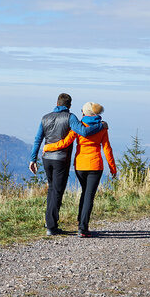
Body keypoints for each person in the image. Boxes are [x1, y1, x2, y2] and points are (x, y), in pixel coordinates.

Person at [29, 93, 106, 236]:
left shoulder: (45, 117)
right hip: (61, 159)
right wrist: (101, 125)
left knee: (52, 189)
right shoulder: (70, 117)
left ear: (57, 103)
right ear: (69, 106)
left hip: (46, 159)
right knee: (57, 191)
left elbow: (38, 138)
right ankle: (51, 226)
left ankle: (50, 221)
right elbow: (83, 131)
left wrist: (33, 159)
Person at [43, 102, 116, 238]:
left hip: (80, 166)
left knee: (84, 193)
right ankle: (83, 227)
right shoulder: (102, 128)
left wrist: (47, 147)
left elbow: (64, 143)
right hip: (95, 166)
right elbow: (107, 149)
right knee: (88, 196)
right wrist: (113, 168)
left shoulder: (78, 127)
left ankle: (81, 223)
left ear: (84, 113)